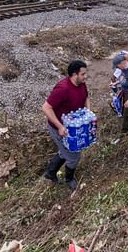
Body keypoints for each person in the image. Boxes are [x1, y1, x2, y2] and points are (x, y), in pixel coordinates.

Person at [42, 60, 90, 190]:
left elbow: (86, 97)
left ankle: (50, 173)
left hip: (74, 126)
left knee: (65, 151)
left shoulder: (81, 84)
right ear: (74, 74)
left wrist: (88, 113)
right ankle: (69, 179)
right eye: (83, 74)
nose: (86, 76)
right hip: (59, 128)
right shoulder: (62, 88)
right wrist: (60, 127)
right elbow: (46, 108)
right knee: (74, 155)